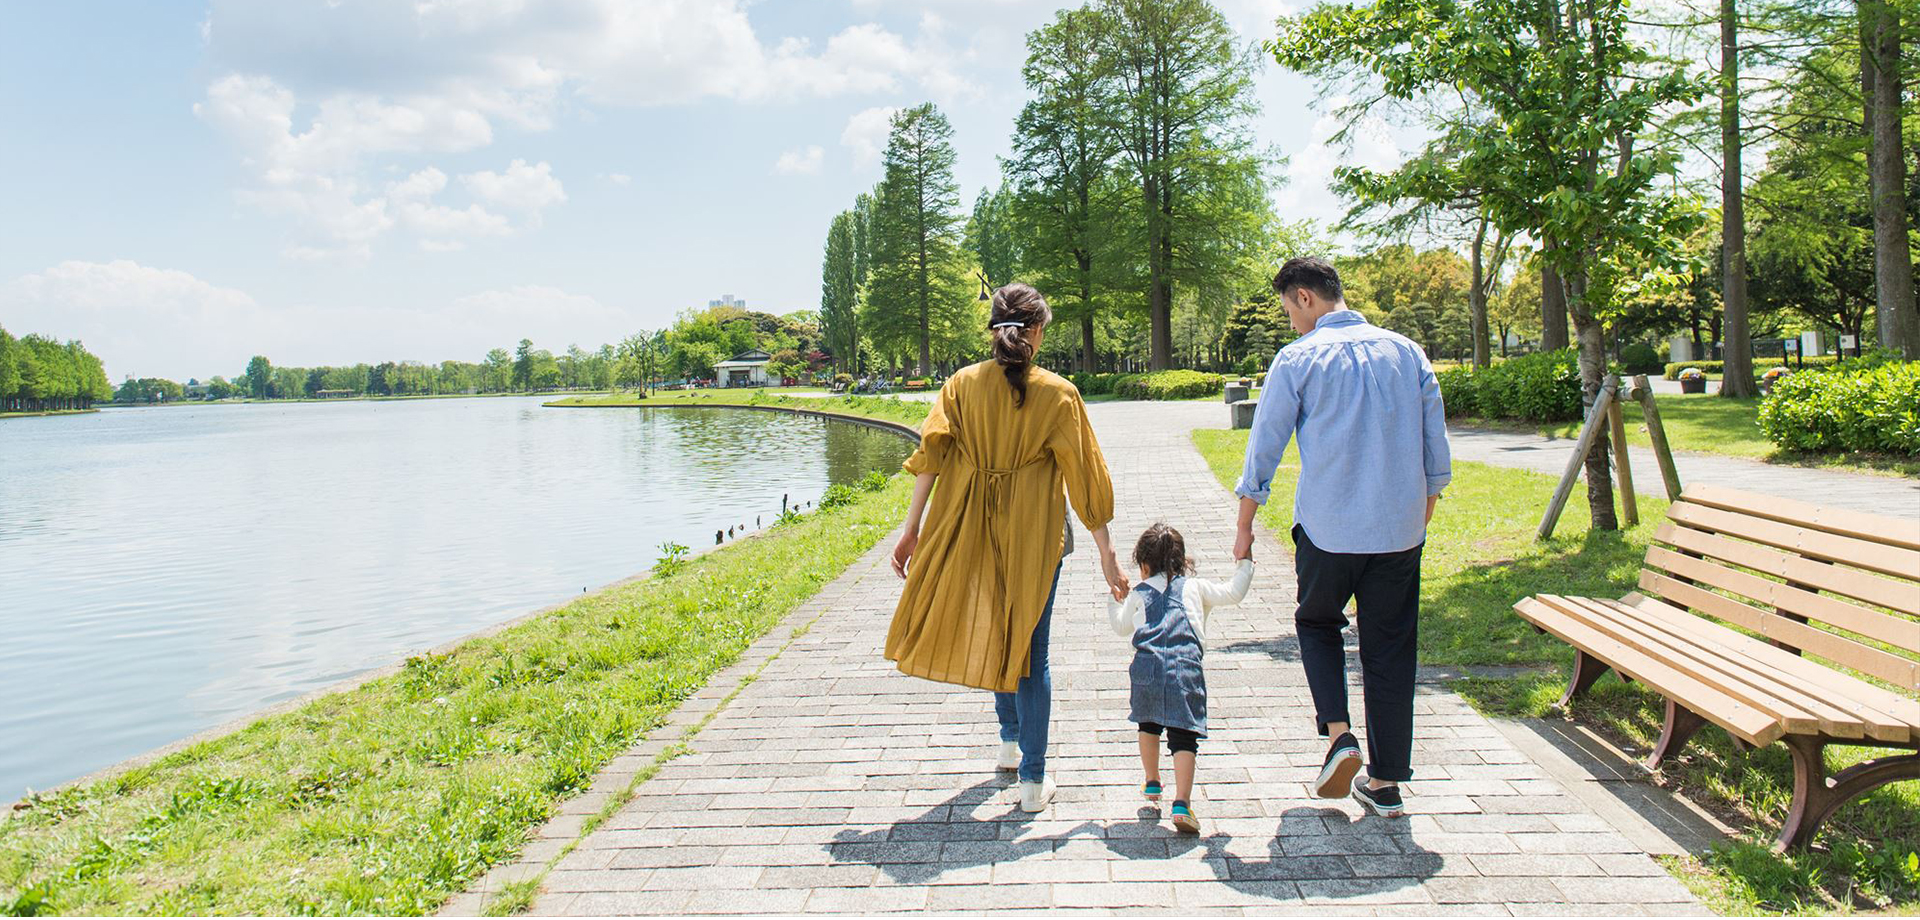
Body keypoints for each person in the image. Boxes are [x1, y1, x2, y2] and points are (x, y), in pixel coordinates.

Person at [886, 283, 1130, 813]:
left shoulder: (960, 384)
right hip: (1037, 534)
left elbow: (929, 457)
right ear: (1038, 330)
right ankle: (1033, 782)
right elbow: (1086, 479)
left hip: (971, 523)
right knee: (1031, 651)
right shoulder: (1059, 393)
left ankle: (1010, 742)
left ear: (993, 329)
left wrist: (912, 528)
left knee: (1000, 631)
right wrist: (1108, 554)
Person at [1232, 256, 1451, 819]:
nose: (1290, 323)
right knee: (1391, 647)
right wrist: (1415, 521)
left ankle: (1339, 736)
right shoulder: (1407, 352)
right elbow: (1436, 456)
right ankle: (1385, 783)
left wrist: (1244, 526)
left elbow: (1265, 448)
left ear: (1305, 297)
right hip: (1399, 532)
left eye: (1289, 311)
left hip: (1329, 531)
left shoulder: (1298, 359)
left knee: (1317, 623)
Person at [1107, 523, 1253, 834]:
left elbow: (1121, 627)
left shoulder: (1139, 593)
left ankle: (1152, 779)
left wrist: (1115, 599)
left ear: (1144, 564)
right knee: (1184, 736)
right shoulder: (1194, 587)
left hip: (1145, 667)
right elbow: (1234, 592)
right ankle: (1182, 803)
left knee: (1147, 723)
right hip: (1184, 668)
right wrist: (1245, 561)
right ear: (1181, 561)